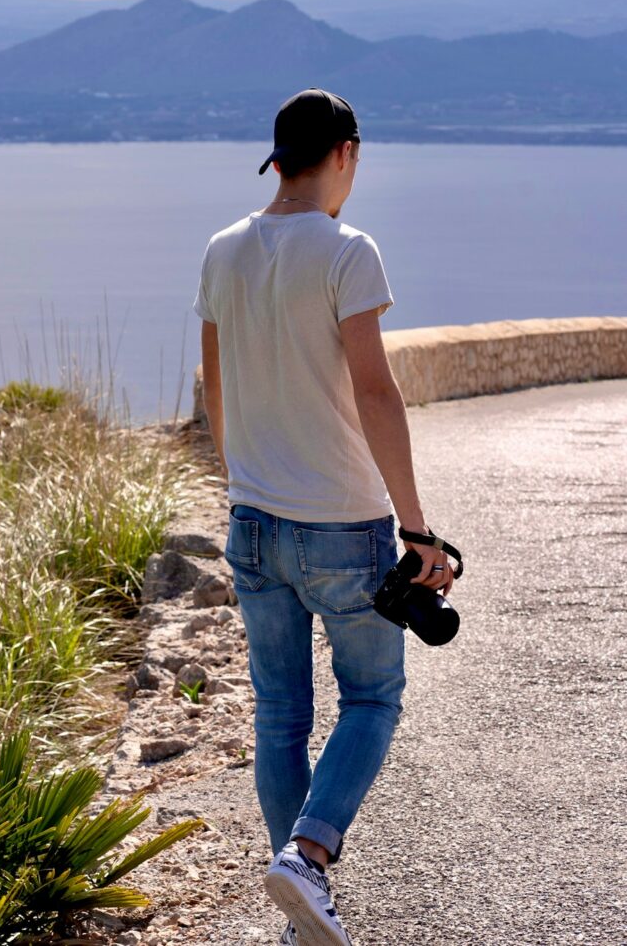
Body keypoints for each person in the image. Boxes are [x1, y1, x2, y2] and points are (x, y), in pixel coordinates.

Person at [192, 88, 454, 946]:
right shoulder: (349, 250)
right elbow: (376, 390)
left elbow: (216, 390)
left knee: (280, 714)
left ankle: (301, 903)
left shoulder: (222, 250)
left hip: (253, 519)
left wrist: (244, 485)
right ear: (345, 153)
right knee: (373, 696)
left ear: (277, 160)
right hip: (342, 523)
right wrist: (416, 528)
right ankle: (306, 857)